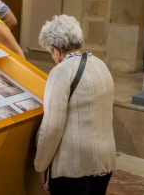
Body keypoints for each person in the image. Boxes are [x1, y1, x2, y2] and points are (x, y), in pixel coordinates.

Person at [35, 15, 116, 195]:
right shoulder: (100, 65)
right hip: (105, 162)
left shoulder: (61, 71)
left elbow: (52, 127)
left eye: (50, 52)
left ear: (55, 49)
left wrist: (40, 165)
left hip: (74, 169)